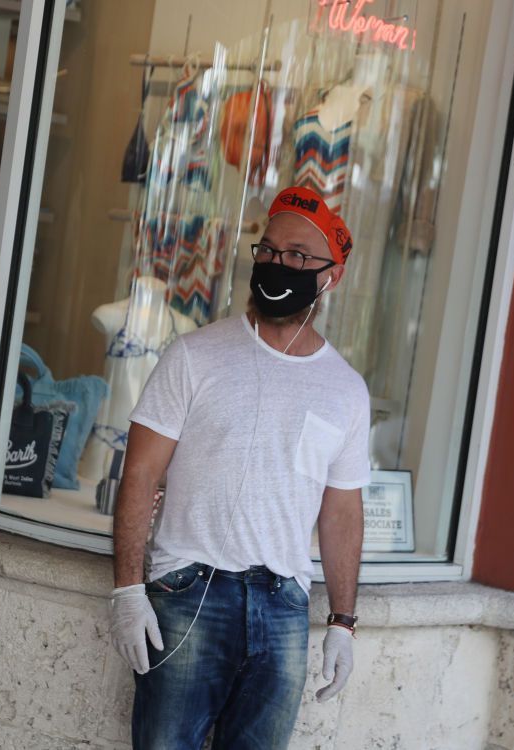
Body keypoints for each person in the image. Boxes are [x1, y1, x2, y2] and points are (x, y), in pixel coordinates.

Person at [110, 185, 369, 749]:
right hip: (189, 594)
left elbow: (342, 510)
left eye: (299, 256)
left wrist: (343, 623)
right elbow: (140, 475)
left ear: (330, 277)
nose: (279, 264)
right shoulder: (194, 356)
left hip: (283, 611)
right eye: (270, 251)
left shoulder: (345, 391)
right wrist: (128, 592)